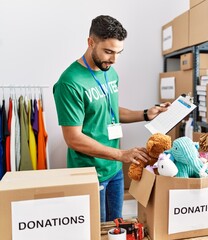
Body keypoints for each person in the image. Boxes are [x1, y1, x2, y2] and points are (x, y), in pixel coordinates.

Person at [53, 15, 170, 222]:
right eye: (108, 51)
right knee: (95, 232)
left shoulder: (110, 72)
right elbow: (72, 138)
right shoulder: (69, 83)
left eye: (118, 53)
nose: (114, 59)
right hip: (89, 174)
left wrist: (145, 114)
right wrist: (121, 154)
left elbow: (110, 110)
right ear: (91, 42)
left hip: (114, 170)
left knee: (116, 227)